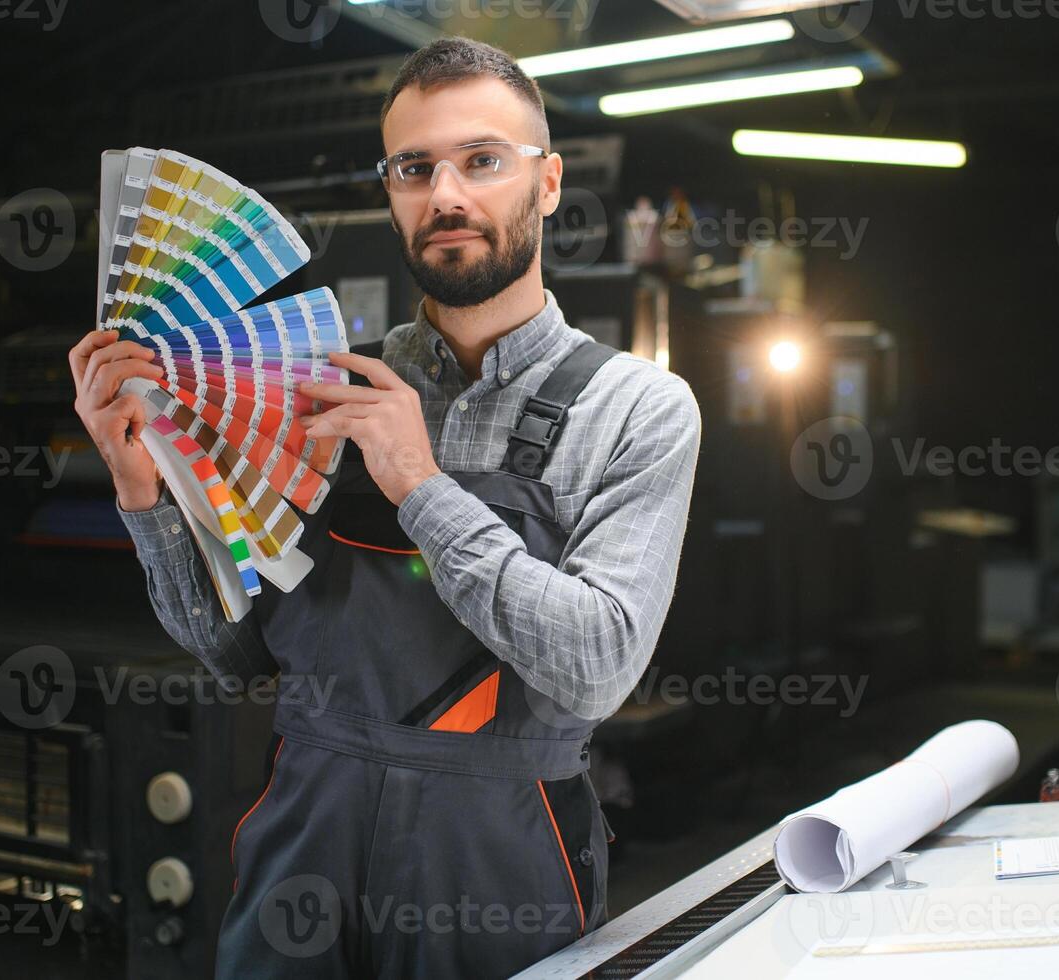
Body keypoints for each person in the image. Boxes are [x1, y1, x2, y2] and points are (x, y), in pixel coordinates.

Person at [68, 36, 701, 979]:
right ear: (393, 189)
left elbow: (595, 667)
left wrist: (422, 487)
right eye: (415, 168)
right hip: (303, 836)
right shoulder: (315, 388)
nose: (446, 194)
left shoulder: (638, 408)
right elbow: (237, 652)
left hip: (492, 856)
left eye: (482, 160)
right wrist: (144, 496)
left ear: (549, 181)